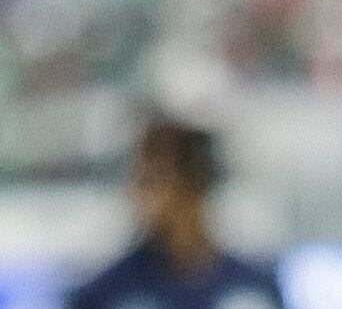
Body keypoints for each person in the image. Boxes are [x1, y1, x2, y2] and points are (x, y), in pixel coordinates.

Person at [62, 118, 277, 309]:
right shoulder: (103, 294)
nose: (135, 193)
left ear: (193, 183)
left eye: (151, 180)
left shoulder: (254, 290)